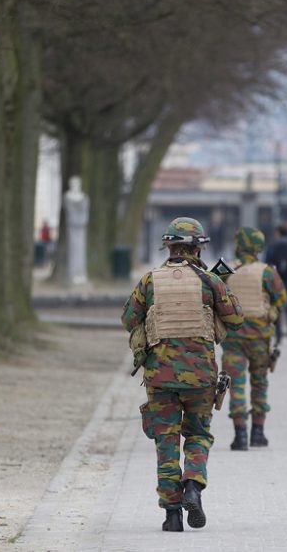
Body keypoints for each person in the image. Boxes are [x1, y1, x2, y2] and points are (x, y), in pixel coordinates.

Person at [121, 217, 243, 532]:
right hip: (201, 377)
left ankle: (172, 515)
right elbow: (236, 318)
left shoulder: (150, 280)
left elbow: (128, 318)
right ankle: (193, 486)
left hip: (160, 376)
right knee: (199, 435)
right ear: (198, 247)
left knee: (166, 440)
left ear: (169, 246)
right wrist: (222, 284)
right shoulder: (210, 280)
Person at [221, 227, 287, 450]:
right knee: (259, 383)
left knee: (236, 385)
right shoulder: (268, 272)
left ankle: (240, 435)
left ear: (238, 245)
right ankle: (258, 433)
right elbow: (281, 298)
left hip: (233, 338)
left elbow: (211, 296)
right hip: (260, 338)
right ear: (259, 247)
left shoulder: (225, 268)